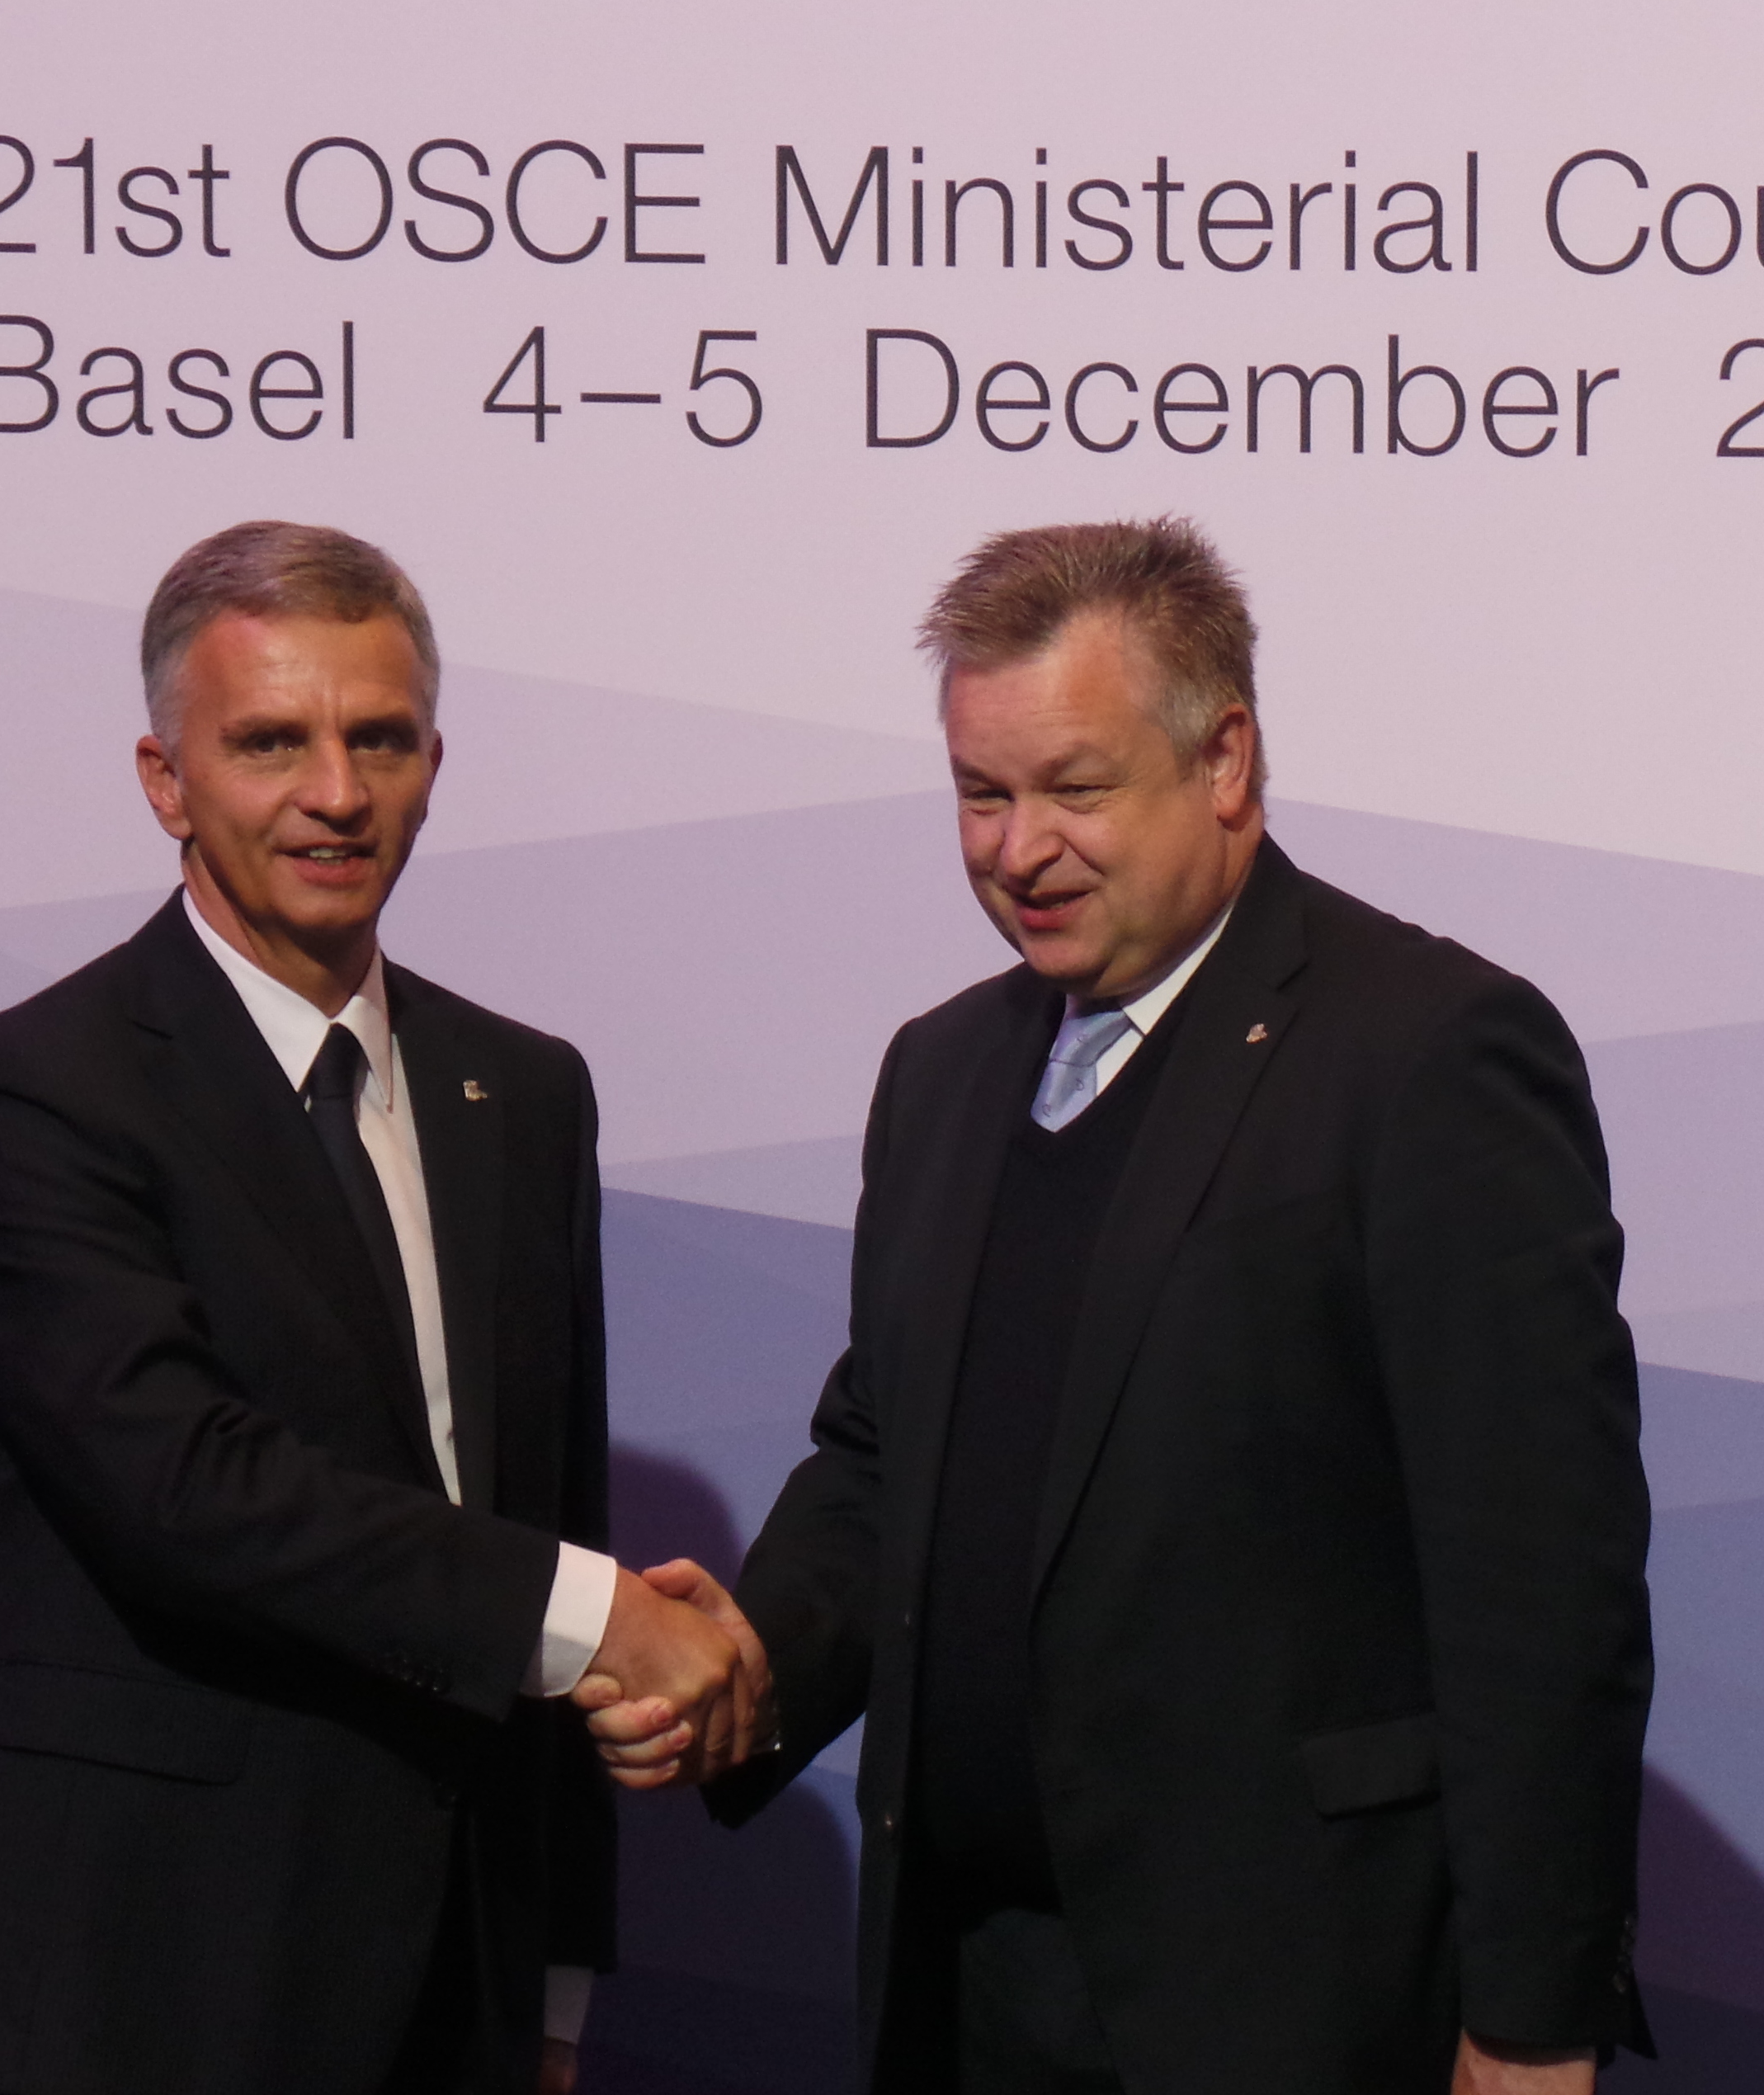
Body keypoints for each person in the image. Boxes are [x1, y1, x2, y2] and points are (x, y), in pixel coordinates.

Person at [591, 518, 1653, 2095]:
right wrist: (754, 1663)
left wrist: (1531, 2016)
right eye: (981, 793)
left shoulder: (1432, 1056)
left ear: (1225, 762)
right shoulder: (941, 1073)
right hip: (963, 1993)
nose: (1019, 849)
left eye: (1074, 790)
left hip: (1298, 1999)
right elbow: (890, 1458)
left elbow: (1540, 1581)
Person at [0, 521, 761, 2095]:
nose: (336, 793)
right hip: (128, 1987)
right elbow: (185, 1490)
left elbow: (537, 1496)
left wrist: (550, 1985)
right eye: (271, 741)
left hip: (449, 1996)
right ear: (165, 778)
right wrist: (605, 1616)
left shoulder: (524, 1092)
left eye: (380, 739)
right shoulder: (30, 1095)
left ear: (431, 761)